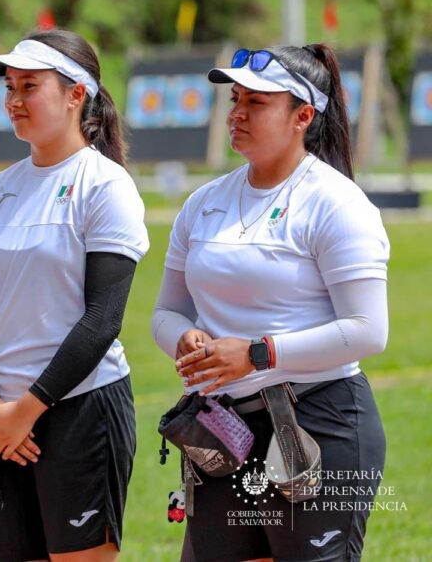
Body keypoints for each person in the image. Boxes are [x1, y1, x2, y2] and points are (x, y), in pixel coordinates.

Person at [151, 44, 389, 561]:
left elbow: (369, 330)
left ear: (304, 115)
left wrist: (257, 354)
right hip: (221, 427)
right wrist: (185, 338)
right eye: (235, 98)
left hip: (318, 422)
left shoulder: (337, 203)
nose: (236, 112)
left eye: (256, 102)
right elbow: (166, 313)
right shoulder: (203, 202)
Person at [0, 29, 149, 561]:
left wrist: (28, 409)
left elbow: (102, 319)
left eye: (28, 86)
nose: (13, 100)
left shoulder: (105, 185)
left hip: (78, 409)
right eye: (9, 87)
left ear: (76, 94)